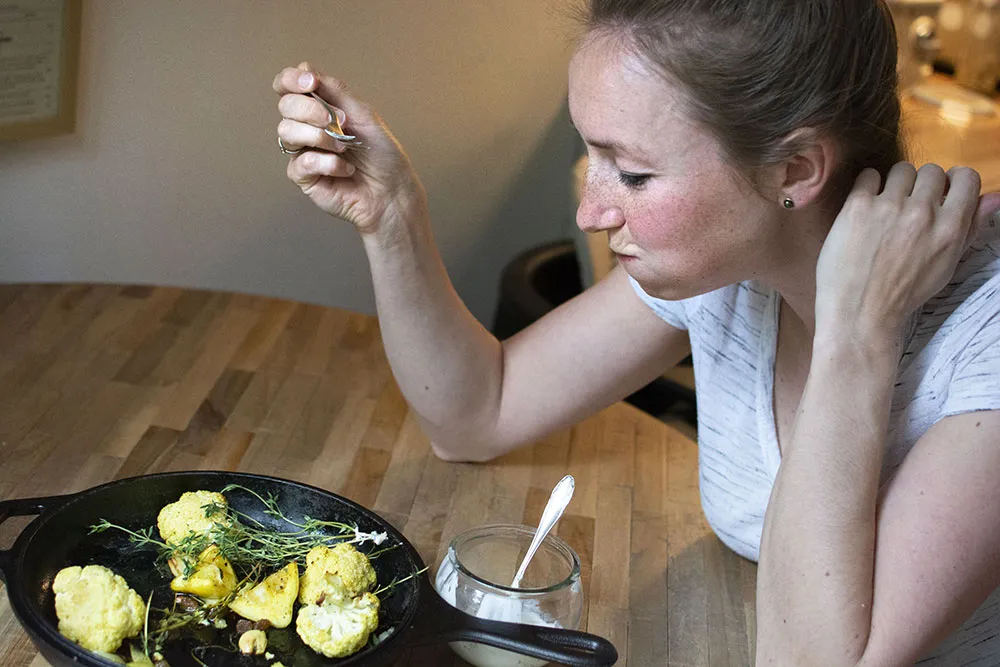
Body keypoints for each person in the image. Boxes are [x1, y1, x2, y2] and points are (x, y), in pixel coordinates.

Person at [273, 0, 1000, 663]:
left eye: (634, 173)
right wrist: (393, 214)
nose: (592, 212)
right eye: (597, 158)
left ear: (795, 167)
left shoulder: (985, 335)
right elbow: (474, 413)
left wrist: (856, 334)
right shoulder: (729, 267)